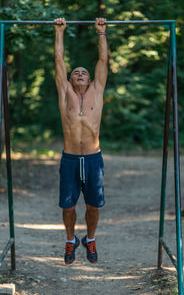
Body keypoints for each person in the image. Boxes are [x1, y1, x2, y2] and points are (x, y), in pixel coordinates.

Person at [54, 17, 108, 264]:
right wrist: (59, 32)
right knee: (68, 206)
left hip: (93, 158)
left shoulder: (98, 90)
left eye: (84, 72)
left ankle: (91, 239)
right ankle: (70, 240)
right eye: (76, 72)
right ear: (71, 80)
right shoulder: (65, 93)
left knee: (94, 206)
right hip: (70, 158)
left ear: (90, 78)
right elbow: (59, 60)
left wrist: (101, 32)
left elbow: (103, 60)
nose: (79, 73)